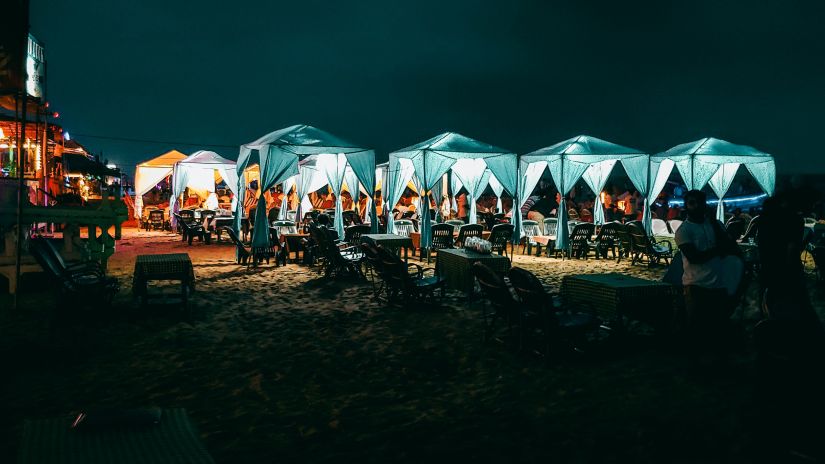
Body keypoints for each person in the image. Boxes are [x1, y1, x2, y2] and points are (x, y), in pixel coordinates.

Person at [675, 190, 741, 348]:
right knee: (696, 330)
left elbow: (729, 245)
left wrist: (712, 222)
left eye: (700, 202)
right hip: (695, 285)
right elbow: (694, 257)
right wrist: (719, 250)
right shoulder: (684, 230)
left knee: (717, 329)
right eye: (692, 203)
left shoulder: (715, 225)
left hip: (719, 283)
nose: (696, 206)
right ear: (686, 206)